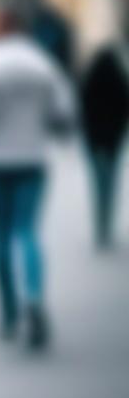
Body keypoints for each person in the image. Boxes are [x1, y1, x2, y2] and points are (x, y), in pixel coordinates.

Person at [0, 8, 76, 349]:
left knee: (1, 236)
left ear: (0, 29)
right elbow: (63, 111)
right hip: (32, 158)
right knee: (28, 231)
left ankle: (9, 312)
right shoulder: (41, 63)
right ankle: (34, 298)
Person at [77, 37, 129, 248]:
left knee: (97, 183)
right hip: (113, 141)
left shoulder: (88, 83)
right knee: (111, 182)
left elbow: (81, 111)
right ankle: (106, 223)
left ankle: (100, 224)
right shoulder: (120, 83)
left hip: (94, 141)